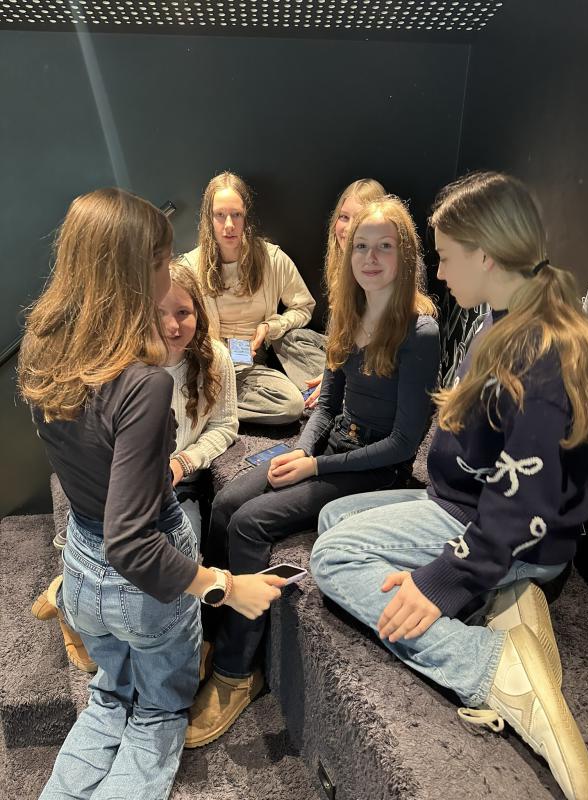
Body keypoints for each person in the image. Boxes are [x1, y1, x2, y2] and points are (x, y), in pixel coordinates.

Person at [310, 172, 588, 800]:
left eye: (445, 257)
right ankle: (499, 599)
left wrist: (446, 579)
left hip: (504, 533)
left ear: (485, 254)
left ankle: (492, 667)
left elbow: (525, 505)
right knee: (335, 520)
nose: (438, 273)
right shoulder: (504, 315)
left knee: (331, 557)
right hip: (461, 501)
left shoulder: (539, 353)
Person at [19, 188, 286, 800]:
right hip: (142, 590)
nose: (172, 273)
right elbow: (133, 544)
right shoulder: (142, 385)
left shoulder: (42, 347)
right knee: (158, 714)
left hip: (80, 568)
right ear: (134, 270)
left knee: (107, 700)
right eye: (164, 260)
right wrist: (226, 585)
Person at [185, 195, 440, 748]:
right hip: (333, 446)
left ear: (405, 254)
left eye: (384, 247)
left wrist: (316, 464)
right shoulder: (350, 310)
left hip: (376, 469)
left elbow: (403, 445)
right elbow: (326, 405)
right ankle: (209, 631)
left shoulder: (419, 331)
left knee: (251, 523)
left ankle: (236, 670)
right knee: (226, 504)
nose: (370, 258)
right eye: (361, 246)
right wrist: (300, 452)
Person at [180, 171, 315, 425]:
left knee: (292, 406)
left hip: (250, 365)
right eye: (220, 215)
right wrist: (213, 352)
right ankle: (206, 402)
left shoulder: (272, 259)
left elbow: (304, 306)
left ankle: (207, 408)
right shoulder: (190, 266)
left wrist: (270, 327)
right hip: (208, 362)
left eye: (236, 214)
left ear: (247, 216)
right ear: (209, 218)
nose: (229, 225)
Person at [274, 178, 386, 406]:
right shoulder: (341, 264)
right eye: (344, 217)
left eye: (359, 219)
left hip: (379, 359)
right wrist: (332, 370)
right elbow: (341, 338)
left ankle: (339, 392)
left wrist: (338, 374)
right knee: (288, 338)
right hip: (349, 354)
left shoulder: (381, 265)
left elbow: (379, 343)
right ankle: (332, 389)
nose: (348, 228)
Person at [160, 260, 238, 547]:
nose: (172, 326)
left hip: (183, 485)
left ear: (198, 313)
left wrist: (183, 462)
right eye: (159, 313)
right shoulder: (128, 361)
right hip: (130, 486)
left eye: (183, 312)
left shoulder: (216, 358)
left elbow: (225, 425)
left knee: (184, 554)